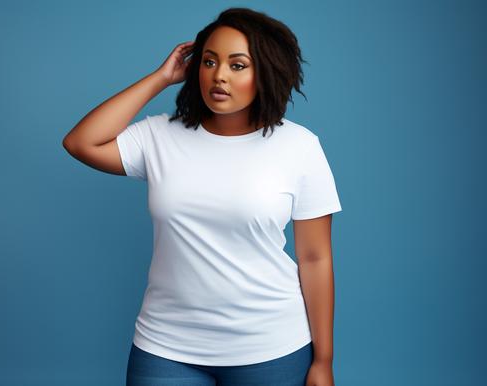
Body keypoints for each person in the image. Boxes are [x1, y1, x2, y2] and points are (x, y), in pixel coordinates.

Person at [63, 7, 342, 386]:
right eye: (209, 61)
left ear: (266, 72)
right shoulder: (160, 136)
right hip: (167, 346)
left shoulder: (300, 147)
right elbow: (81, 142)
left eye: (237, 65)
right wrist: (161, 78)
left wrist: (323, 361)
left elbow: (314, 257)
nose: (219, 75)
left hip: (271, 346)